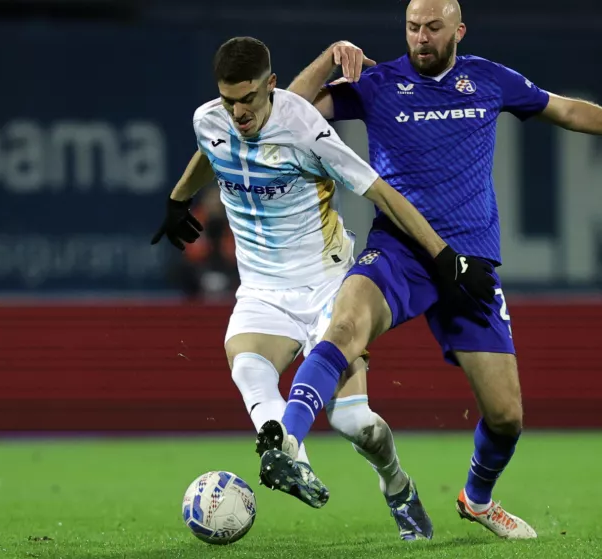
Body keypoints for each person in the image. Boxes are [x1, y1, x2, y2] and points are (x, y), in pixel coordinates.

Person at [256, 0, 602, 541]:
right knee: (343, 326)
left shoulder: (489, 80)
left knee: (506, 417)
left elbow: (568, 111)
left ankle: (477, 499)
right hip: (400, 252)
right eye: (411, 28)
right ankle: (287, 442)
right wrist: (329, 57)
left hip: (468, 266)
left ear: (459, 30)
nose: (421, 38)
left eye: (432, 28)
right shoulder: (377, 83)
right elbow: (284, 115)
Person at [150, 36, 491, 540]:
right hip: (263, 289)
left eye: (249, 100)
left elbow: (380, 190)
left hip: (328, 286)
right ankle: (292, 458)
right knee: (246, 363)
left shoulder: (306, 129)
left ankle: (396, 485)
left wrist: (442, 255)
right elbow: (209, 148)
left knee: (357, 425)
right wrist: (179, 199)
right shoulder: (211, 118)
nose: (239, 113)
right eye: (229, 101)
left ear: (271, 86)